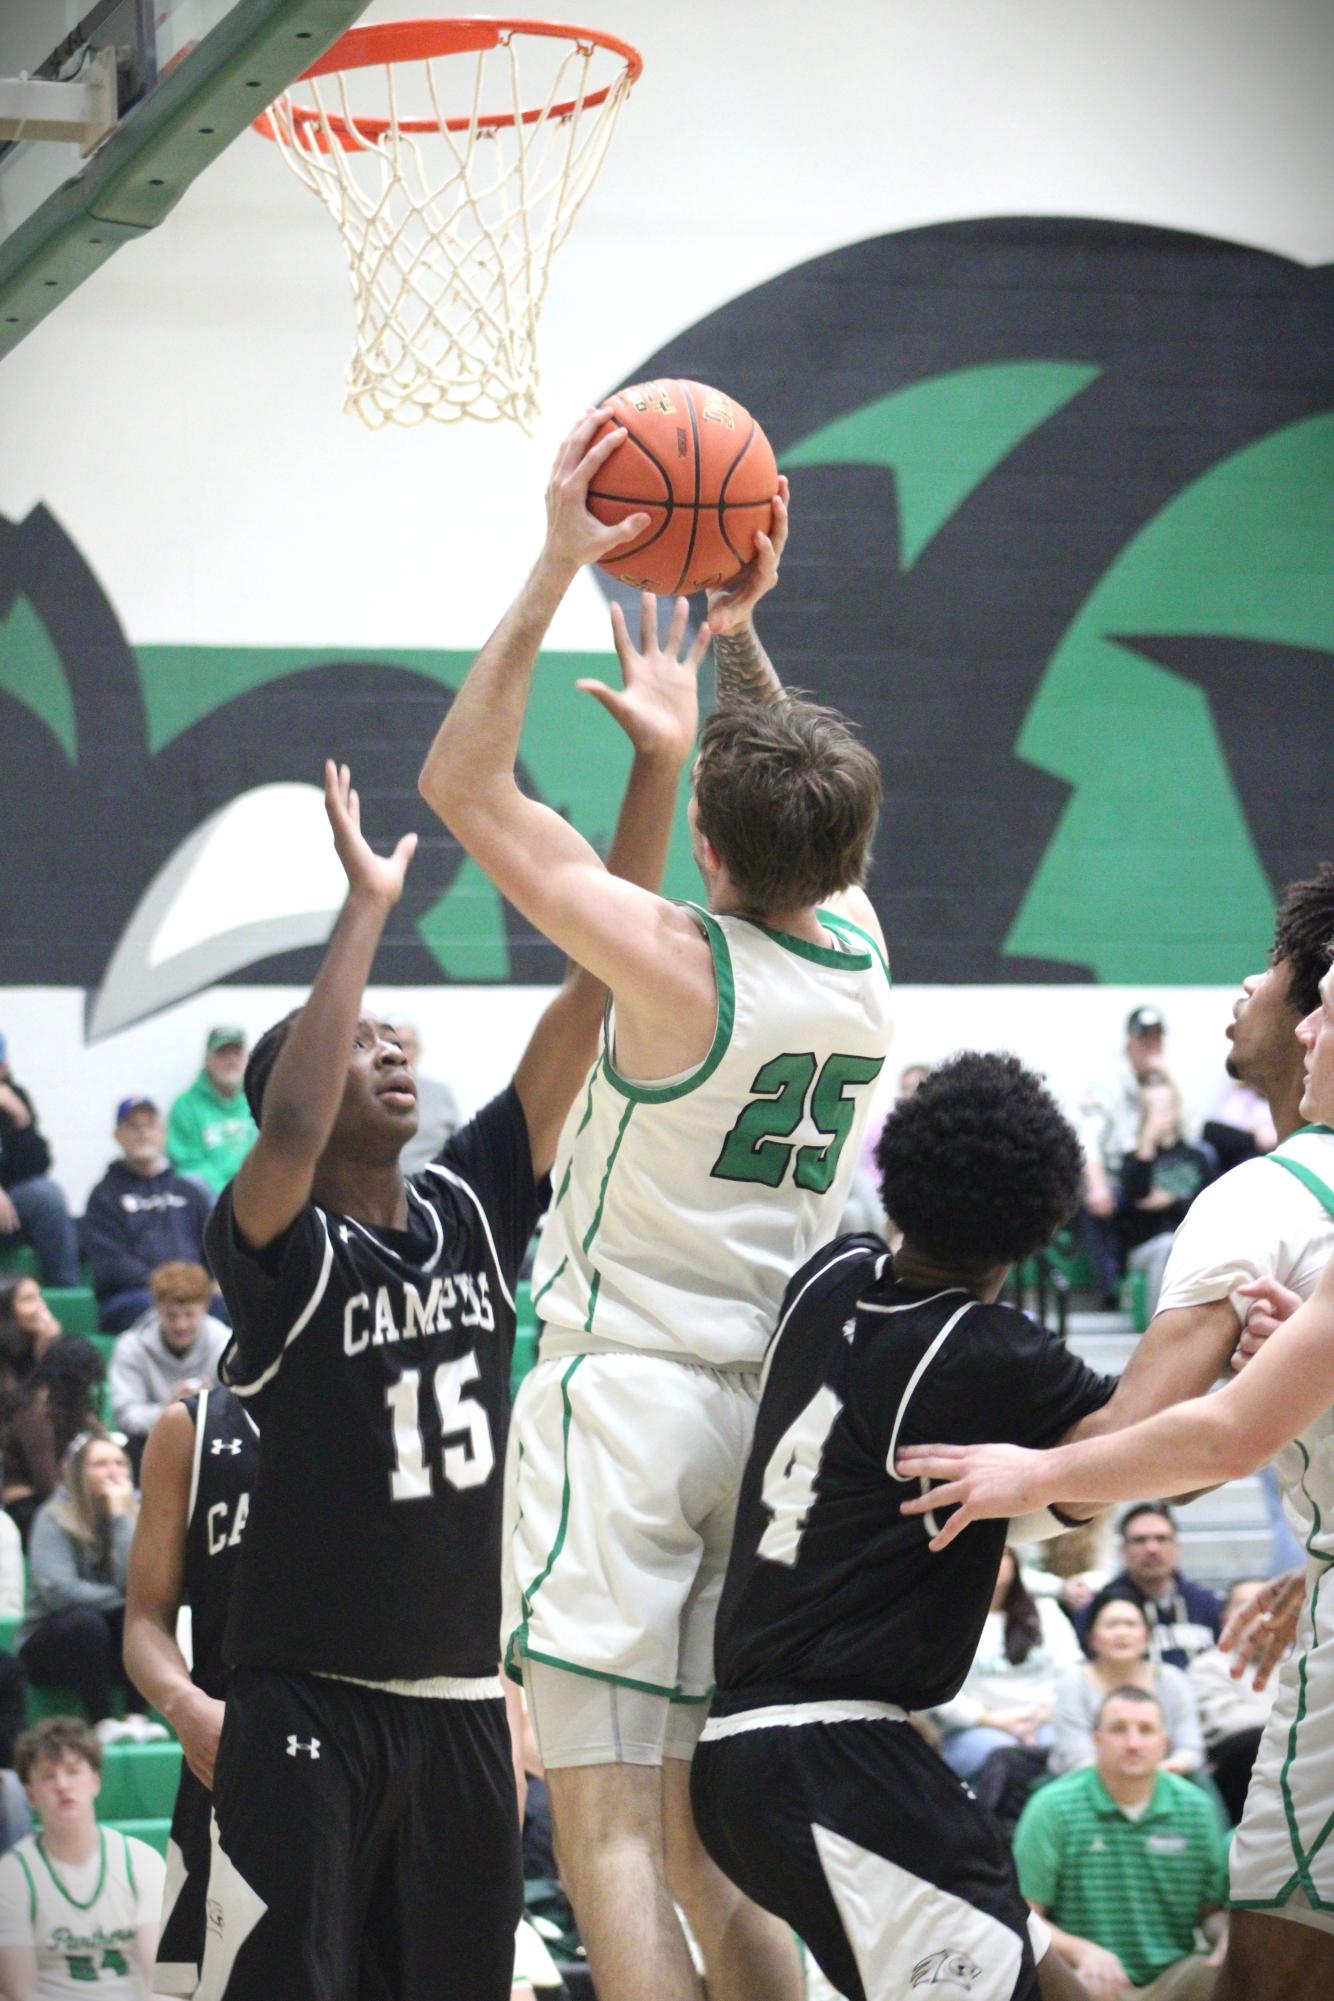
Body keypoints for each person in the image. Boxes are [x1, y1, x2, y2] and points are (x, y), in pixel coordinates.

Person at [419, 416, 892, 2001]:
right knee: (706, 1845)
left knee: (609, 1830)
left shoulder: (676, 971)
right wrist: (741, 641)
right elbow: (795, 803)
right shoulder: (864, 968)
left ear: (701, 844)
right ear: (849, 852)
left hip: (620, 1405)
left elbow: (459, 782)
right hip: (755, 1424)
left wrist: (562, 555)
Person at [198, 615, 699, 2001]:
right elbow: (290, 1120)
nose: (390, 1045)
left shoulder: (477, 1197)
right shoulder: (277, 1252)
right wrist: (360, 910)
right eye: (358, 1041)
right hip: (305, 1711)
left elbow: (601, 975)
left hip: (468, 1712)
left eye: (390, 1030)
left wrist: (656, 768)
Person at [894, 948, 1334, 2001]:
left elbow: (1189, 1443)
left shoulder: (1261, 1194)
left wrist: (1017, 1486)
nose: (1283, 1012)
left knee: (1264, 1977)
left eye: (1302, 990)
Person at [688, 1051, 1118, 2001]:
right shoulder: (979, 1348)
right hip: (834, 1753)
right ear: (1042, 1224)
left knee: (1054, 1987)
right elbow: (1137, 1441)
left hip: (756, 1752)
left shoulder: (830, 1275)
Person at [123, 1382, 258, 1999]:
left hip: (364, 1748)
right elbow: (144, 1620)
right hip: (228, 1763)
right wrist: (183, 1705)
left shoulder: (381, 1403)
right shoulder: (192, 1427)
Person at [1013, 1686, 1227, 1999]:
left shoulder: (1197, 1808)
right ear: (1096, 1740)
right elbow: (1024, 1916)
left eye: (1146, 1730)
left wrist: (1228, 1936)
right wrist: (1083, 1952)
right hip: (1084, 1981)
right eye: (1118, 1729)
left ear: (1164, 1743)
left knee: (1223, 1969)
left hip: (1173, 1979)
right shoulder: (1053, 1807)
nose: (1133, 1743)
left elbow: (1210, 1913)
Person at [0, 1716, 165, 1997]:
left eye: (73, 1771)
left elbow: (158, 1979)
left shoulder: (141, 1861)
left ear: (95, 1780)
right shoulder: (12, 1874)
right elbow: (20, 1992)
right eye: (48, 1776)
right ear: (30, 1795)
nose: (62, 1785)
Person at [18, 1435, 165, 1745]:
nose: (113, 1472)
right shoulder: (52, 1516)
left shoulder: (136, 1518)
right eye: (100, 1464)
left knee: (141, 1616)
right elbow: (60, 1592)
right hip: (52, 1642)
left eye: (119, 1463)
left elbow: (140, 1584)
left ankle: (137, 1717)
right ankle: (101, 1722)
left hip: (107, 1644)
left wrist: (122, 1519)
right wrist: (124, 1600)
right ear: (78, 1474)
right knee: (89, 1621)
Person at [930, 1546, 1082, 1781]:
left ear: (1015, 1563)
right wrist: (991, 1721)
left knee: (1067, 1750)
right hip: (974, 1729)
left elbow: (1071, 1671)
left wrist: (1043, 1714)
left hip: (1044, 1720)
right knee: (1005, 1757)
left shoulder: (1047, 1612)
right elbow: (935, 1689)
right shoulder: (943, 1619)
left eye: (1001, 1553)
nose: (992, 1560)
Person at [82, 1101, 215, 1333]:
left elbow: (214, 1247)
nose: (143, 1132)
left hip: (194, 1296)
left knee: (238, 1308)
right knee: (153, 1310)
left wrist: (209, 1283)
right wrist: (170, 1287)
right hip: (134, 1297)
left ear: (162, 1133)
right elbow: (110, 1264)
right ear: (118, 1135)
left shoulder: (190, 1192)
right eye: (133, 1126)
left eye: (150, 1125)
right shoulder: (103, 1196)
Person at [1077, 1005, 1173, 1306]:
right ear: (1130, 1041)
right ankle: (1109, 1292)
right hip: (1112, 1173)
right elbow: (1088, 1139)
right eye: (1144, 1039)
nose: (1150, 1047)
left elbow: (1182, 1132)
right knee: (1100, 1201)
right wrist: (1097, 1185)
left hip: (1150, 1171)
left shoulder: (1163, 1078)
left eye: (1156, 1039)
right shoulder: (1106, 1080)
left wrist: (1168, 1084)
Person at [1049, 1590, 1204, 1777]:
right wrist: (1129, 1779)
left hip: (1166, 1777)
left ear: (1147, 1636)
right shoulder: (1072, 1684)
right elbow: (1076, 1756)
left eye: (1131, 1625)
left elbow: (1190, 1749)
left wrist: (1154, 1774)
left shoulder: (1173, 1679)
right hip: (1085, 1781)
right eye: (1111, 1625)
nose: (1122, 1633)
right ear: (1091, 1637)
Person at [108, 1262, 229, 1471]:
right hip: (150, 1446)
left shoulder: (224, 1342)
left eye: (189, 1315)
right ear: (156, 1308)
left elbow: (238, 1409)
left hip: (213, 1444)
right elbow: (125, 1415)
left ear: (205, 1308)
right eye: (171, 1316)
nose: (181, 1325)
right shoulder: (131, 1346)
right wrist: (168, 1410)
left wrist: (212, 1403)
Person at [1077, 1504, 1221, 1670]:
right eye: (1140, 1540)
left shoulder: (1208, 1605)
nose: (1152, 1549)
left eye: (1161, 1539)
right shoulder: (1099, 1609)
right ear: (1122, 1550)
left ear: (1176, 1546)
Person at [1116, 1077, 1214, 1320]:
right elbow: (1134, 1200)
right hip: (1144, 1248)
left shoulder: (1196, 1157)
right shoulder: (1133, 1158)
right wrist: (1146, 1144)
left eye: (1163, 1106)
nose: (1158, 1114)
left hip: (1191, 1243)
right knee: (1166, 1246)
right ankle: (1156, 1327)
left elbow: (1211, 1206)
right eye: (1151, 1108)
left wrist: (1172, 1201)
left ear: (1176, 1109)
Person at [1, 1337, 108, 1549]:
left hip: (50, 1500)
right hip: (26, 1507)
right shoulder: (36, 1414)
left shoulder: (61, 1410)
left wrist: (97, 1432)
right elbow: (46, 1483)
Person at [1187, 1579, 1278, 1826]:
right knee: (1251, 1742)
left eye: (1269, 1603)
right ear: (1226, 1619)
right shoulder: (1207, 1666)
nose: (1260, 1613)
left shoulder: (1306, 1660)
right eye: (1246, 1605)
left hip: (1304, 1761)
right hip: (1240, 1770)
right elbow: (1229, 1725)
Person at [0, 1038, 79, 1289]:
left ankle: (65, 1292)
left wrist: (22, 1119)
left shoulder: (14, 1097)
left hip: (10, 1205)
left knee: (46, 1194)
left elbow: (38, 1166)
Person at [167, 1028, 258, 1197]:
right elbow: (187, 1163)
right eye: (222, 1054)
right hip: (211, 1198)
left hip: (260, 1191)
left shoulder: (260, 1097)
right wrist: (229, 1195)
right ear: (207, 1060)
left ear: (247, 1058)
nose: (231, 1061)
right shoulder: (185, 1106)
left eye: (236, 1053)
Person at [393, 1023, 461, 1177]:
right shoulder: (364, 1095)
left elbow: (457, 1146)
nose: (399, 1052)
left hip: (430, 1185)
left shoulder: (440, 1093)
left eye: (406, 1045)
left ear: (418, 1051)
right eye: (394, 1044)